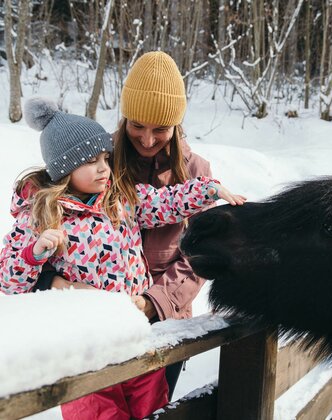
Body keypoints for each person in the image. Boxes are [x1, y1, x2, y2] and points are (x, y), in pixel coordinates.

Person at [0, 97, 246, 419]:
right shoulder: (42, 214)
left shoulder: (120, 197)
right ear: (64, 168)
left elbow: (166, 202)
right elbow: (8, 279)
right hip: (84, 350)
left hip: (134, 335)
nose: (104, 167)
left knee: (152, 410)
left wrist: (208, 190)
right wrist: (34, 255)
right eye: (91, 161)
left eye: (105, 157)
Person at [38, 51, 220, 400]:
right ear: (124, 117)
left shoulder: (197, 172)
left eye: (161, 129)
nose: (148, 140)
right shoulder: (96, 155)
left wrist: (154, 301)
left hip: (164, 322)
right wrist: (54, 281)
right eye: (137, 125)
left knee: (151, 407)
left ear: (177, 123)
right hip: (96, 318)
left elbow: (201, 255)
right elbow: (56, 214)